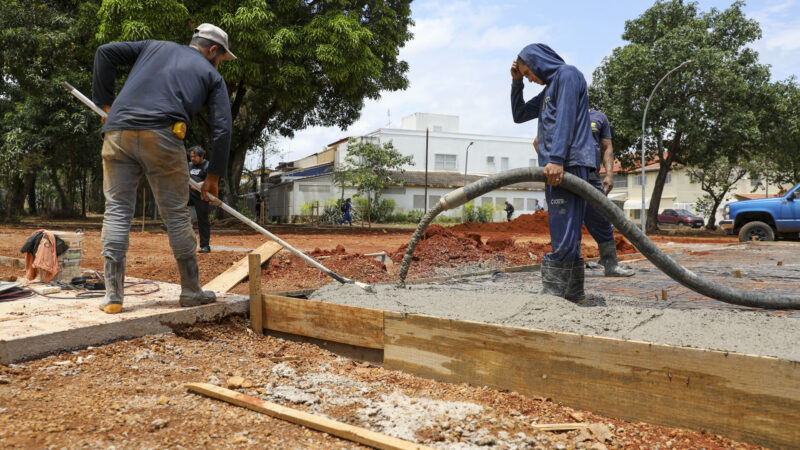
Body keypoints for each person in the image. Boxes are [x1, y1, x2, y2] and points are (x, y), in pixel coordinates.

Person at [92, 23, 235, 314]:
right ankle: (192, 291)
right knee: (176, 215)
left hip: (118, 132)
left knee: (117, 209)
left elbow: (104, 53)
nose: (219, 64)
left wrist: (106, 106)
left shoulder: (154, 46)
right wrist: (213, 177)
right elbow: (222, 130)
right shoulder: (211, 76)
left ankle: (113, 297)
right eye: (221, 59)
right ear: (213, 50)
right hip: (163, 135)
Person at [511, 43, 595, 302]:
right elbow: (520, 114)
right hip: (555, 167)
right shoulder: (549, 90)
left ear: (538, 62)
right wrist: (517, 84)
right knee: (564, 231)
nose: (530, 79)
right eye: (525, 76)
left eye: (528, 74)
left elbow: (566, 117)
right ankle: (573, 293)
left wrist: (557, 158)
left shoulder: (567, 76)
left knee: (565, 230)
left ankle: (555, 292)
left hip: (566, 165)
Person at [585, 109, 634, 277]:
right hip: (570, 177)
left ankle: (611, 265)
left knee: (603, 221)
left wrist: (610, 173)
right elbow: (538, 142)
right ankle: (569, 269)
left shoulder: (599, 117)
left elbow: (607, 146)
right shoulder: (564, 111)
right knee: (570, 225)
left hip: (592, 178)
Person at [188, 146, 212, 253]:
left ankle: (205, 246)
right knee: (177, 212)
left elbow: (211, 180)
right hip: (188, 194)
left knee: (203, 220)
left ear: (202, 156)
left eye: (195, 156)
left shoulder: (208, 165)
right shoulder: (189, 165)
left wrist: (200, 184)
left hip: (201, 196)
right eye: (191, 156)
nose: (192, 159)